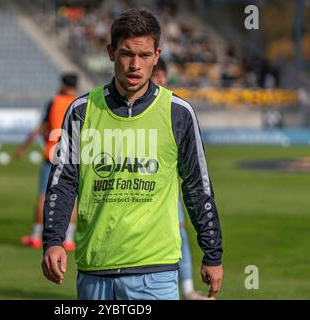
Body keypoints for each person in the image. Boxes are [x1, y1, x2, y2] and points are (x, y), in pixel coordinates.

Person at [42, 8, 223, 300]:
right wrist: (53, 240)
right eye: (127, 54)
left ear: (157, 54)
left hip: (155, 272)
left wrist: (212, 253)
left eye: (144, 56)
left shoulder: (178, 113)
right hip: (95, 271)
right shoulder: (81, 112)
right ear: (111, 52)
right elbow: (63, 182)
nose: (135, 65)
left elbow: (197, 186)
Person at [151, 58, 213, 300]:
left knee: (180, 234)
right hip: (142, 192)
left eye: (164, 75)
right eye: (158, 75)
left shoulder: (174, 110)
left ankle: (185, 288)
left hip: (167, 191)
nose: (162, 80)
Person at [15, 73, 79, 251]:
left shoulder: (55, 102)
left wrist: (22, 148)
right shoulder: (81, 103)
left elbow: (41, 128)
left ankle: (36, 236)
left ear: (63, 85)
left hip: (51, 154)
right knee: (72, 198)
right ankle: (68, 239)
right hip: (73, 156)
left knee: (44, 195)